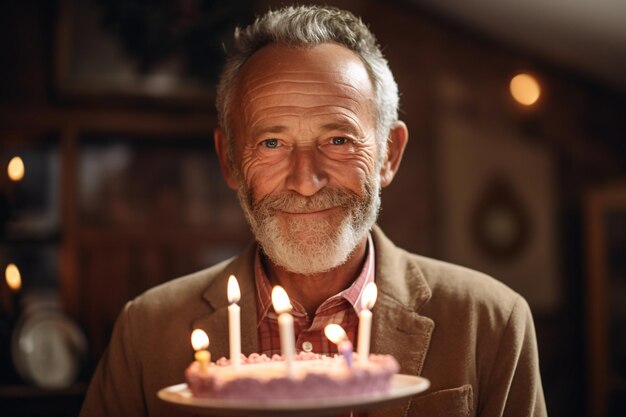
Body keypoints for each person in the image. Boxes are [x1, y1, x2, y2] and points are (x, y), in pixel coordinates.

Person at [80, 5, 547, 417]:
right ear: (229, 161)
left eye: (339, 140)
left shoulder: (489, 322)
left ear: (388, 154)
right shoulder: (147, 330)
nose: (306, 180)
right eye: (272, 142)